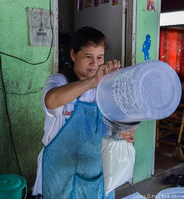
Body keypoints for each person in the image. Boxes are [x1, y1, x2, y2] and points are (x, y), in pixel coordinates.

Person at [32, 26, 136, 199]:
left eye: (100, 57)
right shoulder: (59, 81)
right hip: (59, 173)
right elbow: (51, 101)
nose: (95, 63)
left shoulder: (106, 90)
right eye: (88, 56)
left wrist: (125, 133)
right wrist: (93, 81)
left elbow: (116, 124)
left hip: (94, 171)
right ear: (73, 55)